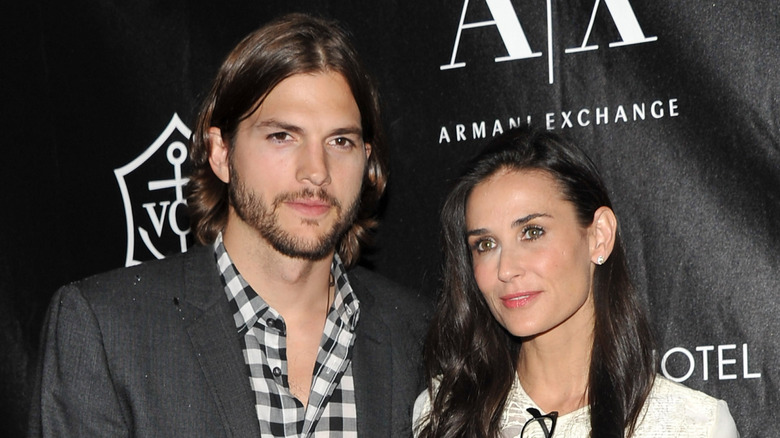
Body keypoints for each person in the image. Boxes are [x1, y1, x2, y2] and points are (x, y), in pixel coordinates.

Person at [29, 13, 429, 437]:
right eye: (282, 136)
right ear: (221, 153)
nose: (316, 171)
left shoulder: (421, 336)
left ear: (367, 161)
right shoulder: (106, 332)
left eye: (340, 141)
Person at [413, 127, 739, 437]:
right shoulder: (441, 412)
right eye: (485, 244)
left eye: (532, 232)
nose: (506, 269)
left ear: (599, 236)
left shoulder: (692, 426)